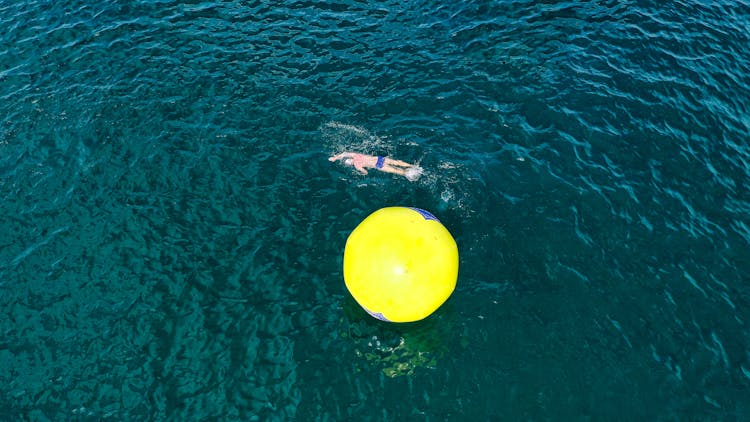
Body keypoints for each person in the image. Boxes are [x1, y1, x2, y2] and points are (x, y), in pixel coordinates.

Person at [329, 152, 423, 181]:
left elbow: (366, 172)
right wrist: (335, 157)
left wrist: (362, 174)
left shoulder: (357, 166)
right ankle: (412, 165)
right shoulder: (356, 155)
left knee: (397, 171)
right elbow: (345, 153)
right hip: (379, 159)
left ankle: (411, 174)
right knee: (397, 162)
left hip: (378, 165)